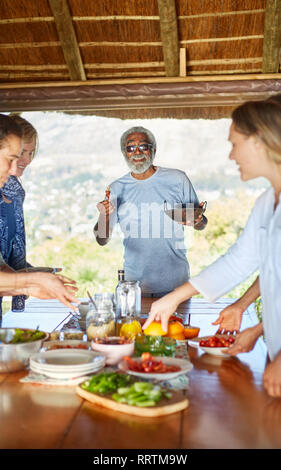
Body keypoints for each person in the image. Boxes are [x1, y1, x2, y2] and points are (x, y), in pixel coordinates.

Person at [143, 94, 281, 397]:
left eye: (235, 144)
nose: (232, 156)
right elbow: (238, 262)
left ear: (259, 141)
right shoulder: (266, 203)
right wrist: (173, 299)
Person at [94, 126, 207, 297]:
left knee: (179, 325)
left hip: (177, 285)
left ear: (153, 149)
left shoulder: (177, 179)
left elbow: (202, 223)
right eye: (130, 148)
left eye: (143, 146)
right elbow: (101, 239)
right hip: (135, 286)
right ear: (125, 153)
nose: (137, 152)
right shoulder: (116, 188)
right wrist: (104, 216)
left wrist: (197, 220)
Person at [0, 113, 79, 315]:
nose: (13, 169)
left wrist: (31, 283)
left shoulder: (15, 193)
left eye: (29, 153)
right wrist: (33, 280)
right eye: (12, 158)